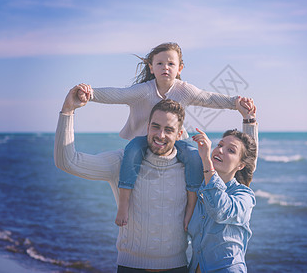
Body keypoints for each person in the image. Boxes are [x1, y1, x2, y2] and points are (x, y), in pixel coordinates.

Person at [77, 42, 253, 230]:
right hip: (143, 139)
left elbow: (208, 98)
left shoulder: (184, 89)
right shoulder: (143, 90)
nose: (165, 68)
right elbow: (119, 94)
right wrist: (91, 93)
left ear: (179, 68)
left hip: (174, 141)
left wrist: (236, 102)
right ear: (151, 68)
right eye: (159, 64)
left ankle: (191, 207)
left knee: (193, 156)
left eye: (170, 64)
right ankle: (123, 204)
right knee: (131, 151)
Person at [55, 85, 198, 272]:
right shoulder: (121, 162)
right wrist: (68, 110)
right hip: (130, 267)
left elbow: (239, 168)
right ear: (147, 127)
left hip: (177, 267)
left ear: (179, 134)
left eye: (169, 130)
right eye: (155, 127)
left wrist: (249, 120)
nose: (160, 135)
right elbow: (67, 161)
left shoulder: (191, 168)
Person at [188, 98, 258, 272]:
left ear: (240, 165)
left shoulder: (244, 196)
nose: (220, 150)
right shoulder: (200, 188)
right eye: (219, 145)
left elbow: (221, 210)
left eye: (230, 150)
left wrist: (206, 161)